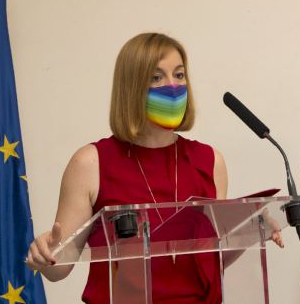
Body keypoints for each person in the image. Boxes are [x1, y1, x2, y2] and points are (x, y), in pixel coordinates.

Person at [25, 32, 281, 303]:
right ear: (131, 87)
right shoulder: (91, 162)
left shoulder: (210, 161)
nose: (173, 86)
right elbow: (59, 268)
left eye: (179, 75)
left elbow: (207, 261)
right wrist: (45, 255)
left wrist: (249, 232)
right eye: (156, 77)